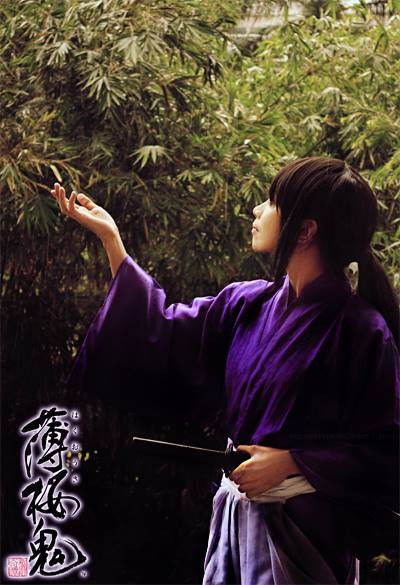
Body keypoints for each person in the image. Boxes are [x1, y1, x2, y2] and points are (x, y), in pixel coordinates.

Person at [51, 156, 400, 585]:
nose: (257, 209)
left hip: (305, 534)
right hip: (236, 518)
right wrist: (112, 241)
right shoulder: (247, 303)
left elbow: (384, 453)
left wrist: (294, 462)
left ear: (305, 231)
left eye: (271, 201)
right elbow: (163, 333)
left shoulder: (362, 331)